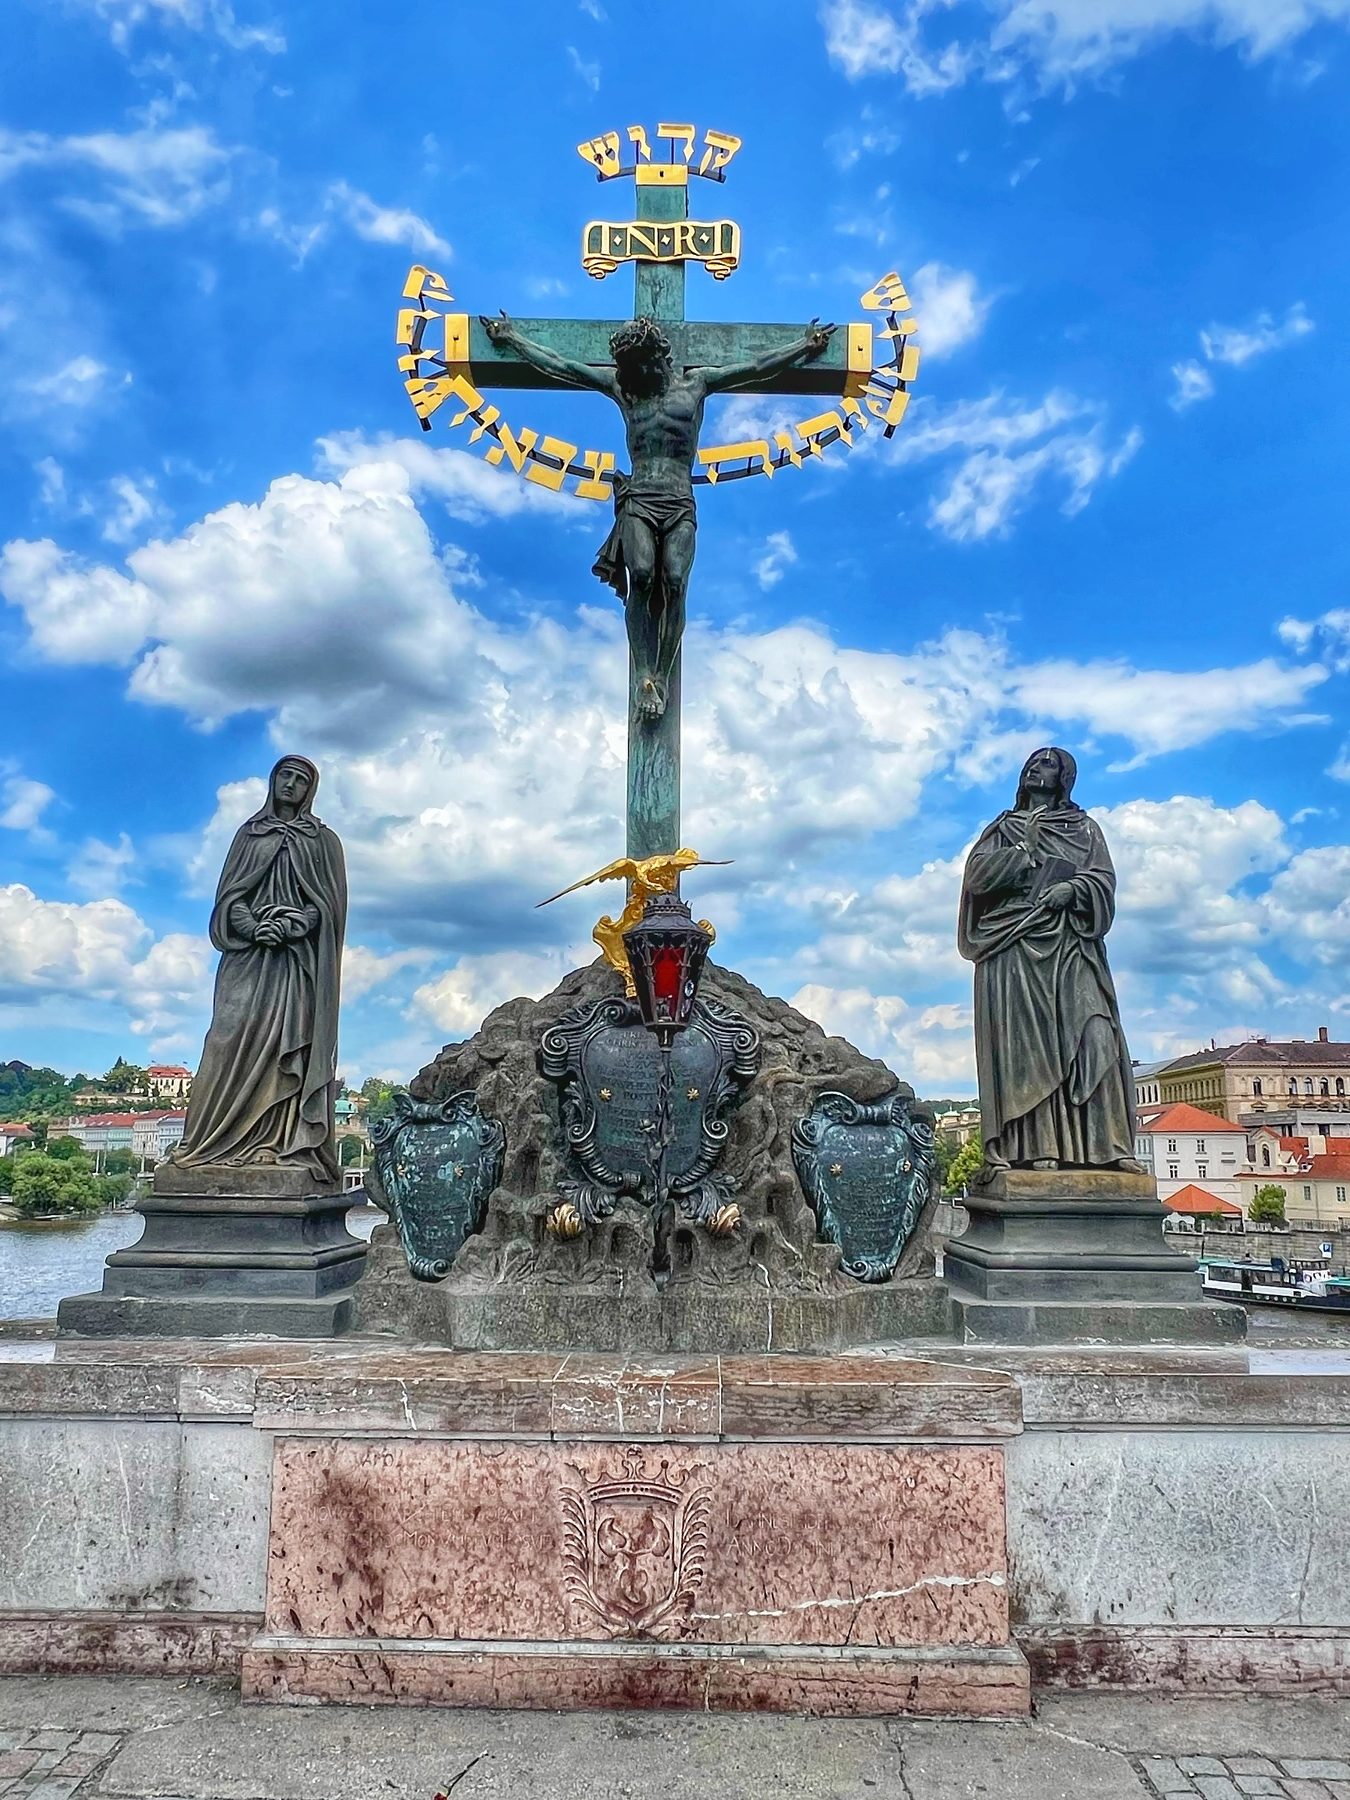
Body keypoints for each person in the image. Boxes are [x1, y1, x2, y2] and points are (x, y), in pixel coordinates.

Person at [481, 310, 834, 721]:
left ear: (658, 357)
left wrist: (802, 347)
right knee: (644, 577)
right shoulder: (625, 389)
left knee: (676, 581)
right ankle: (644, 673)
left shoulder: (697, 384)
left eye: (640, 365)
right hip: (639, 498)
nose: (633, 374)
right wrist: (513, 339)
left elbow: (755, 369)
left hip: (679, 500)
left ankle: (661, 674)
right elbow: (563, 366)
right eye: (628, 368)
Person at [958, 746, 1141, 1173]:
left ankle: (1108, 1147)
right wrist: (1023, 853)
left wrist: (1073, 891)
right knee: (1029, 1051)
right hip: (1014, 945)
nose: (1034, 768)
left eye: (1047, 763)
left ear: (1064, 778)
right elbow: (976, 880)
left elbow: (1102, 882)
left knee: (1097, 1033)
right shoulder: (1002, 829)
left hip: (1072, 942)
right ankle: (1038, 1147)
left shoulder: (1085, 829)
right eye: (1031, 762)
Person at [171, 755, 347, 1181]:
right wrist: (251, 926)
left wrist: (294, 924)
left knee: (291, 1045)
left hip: (296, 964)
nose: (290, 784)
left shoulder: (322, 841)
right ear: (273, 781)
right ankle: (208, 1143)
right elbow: (229, 896)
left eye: (301, 779)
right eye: (284, 776)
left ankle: (280, 1143)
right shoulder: (249, 835)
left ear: (311, 790)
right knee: (225, 1039)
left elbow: (330, 905)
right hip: (248, 956)